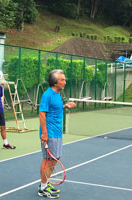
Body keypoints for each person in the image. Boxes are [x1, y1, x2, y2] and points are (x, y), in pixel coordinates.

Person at [38, 69, 76, 198]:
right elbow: (42, 113)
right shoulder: (47, 95)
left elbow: (54, 109)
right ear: (55, 83)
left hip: (57, 132)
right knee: (48, 160)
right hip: (50, 133)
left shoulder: (57, 94)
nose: (65, 82)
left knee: (54, 159)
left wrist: (66, 106)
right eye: (62, 80)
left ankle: (45, 184)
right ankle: (43, 188)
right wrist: (44, 133)